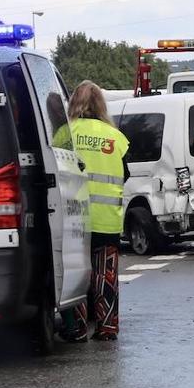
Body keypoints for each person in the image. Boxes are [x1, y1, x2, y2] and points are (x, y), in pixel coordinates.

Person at [61, 80, 130, 341]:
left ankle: (77, 328)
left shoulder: (64, 133)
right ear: (101, 104)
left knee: (78, 272)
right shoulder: (115, 137)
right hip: (107, 218)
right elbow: (125, 173)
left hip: (74, 217)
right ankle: (107, 326)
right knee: (106, 274)